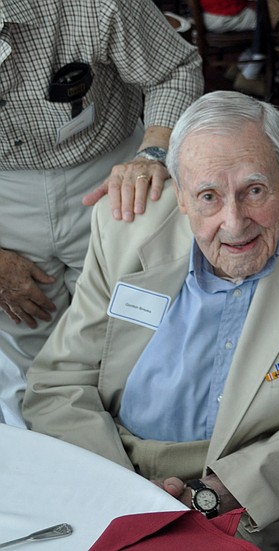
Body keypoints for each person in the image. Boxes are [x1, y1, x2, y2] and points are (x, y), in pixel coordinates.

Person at [23, 91, 279, 550]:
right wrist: (122, 491)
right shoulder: (126, 223)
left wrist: (210, 496)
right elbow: (60, 381)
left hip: (254, 494)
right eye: (208, 196)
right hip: (113, 461)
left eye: (255, 190)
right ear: (180, 195)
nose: (234, 222)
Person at [0, 0, 202, 427]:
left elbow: (174, 70)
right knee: (24, 362)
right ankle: (53, 475)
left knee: (136, 334)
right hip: (5, 195)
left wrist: (154, 152)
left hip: (111, 173)